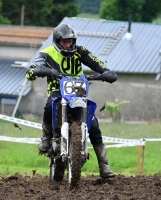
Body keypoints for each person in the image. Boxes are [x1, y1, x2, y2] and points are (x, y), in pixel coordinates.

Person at [25, 23, 116, 178]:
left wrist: (105, 73)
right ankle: (46, 137)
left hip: (78, 93)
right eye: (64, 41)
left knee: (93, 124)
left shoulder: (80, 52)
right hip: (57, 91)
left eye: (70, 41)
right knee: (49, 106)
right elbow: (31, 71)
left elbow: (98, 64)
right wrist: (41, 70)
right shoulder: (46, 53)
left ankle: (104, 165)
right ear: (57, 41)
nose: (68, 44)